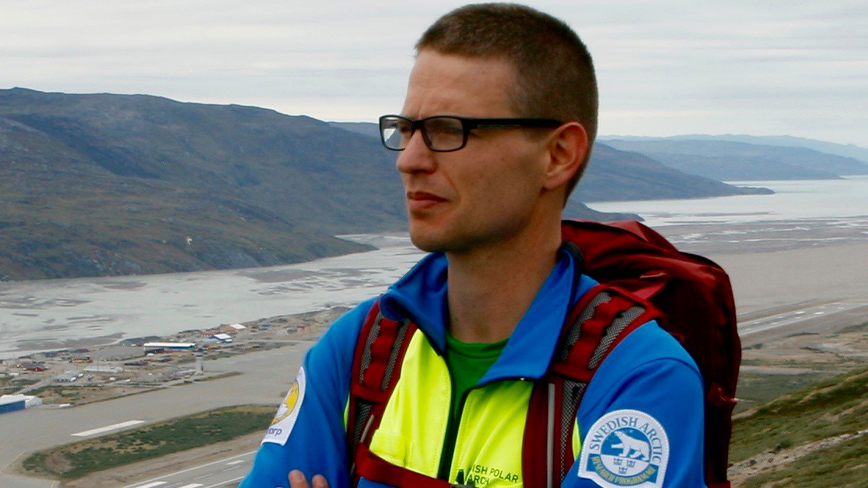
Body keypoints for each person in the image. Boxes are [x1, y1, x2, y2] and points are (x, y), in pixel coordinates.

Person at [240, 4, 705, 488]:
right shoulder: (361, 346)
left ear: (557, 155)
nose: (409, 160)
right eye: (406, 129)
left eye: (448, 129)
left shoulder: (639, 376)